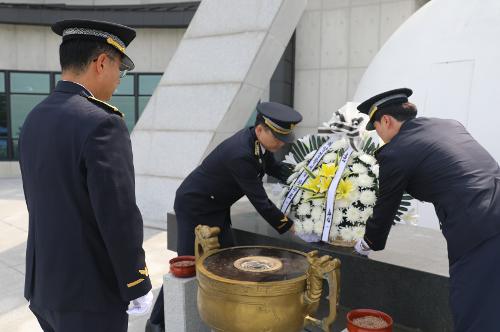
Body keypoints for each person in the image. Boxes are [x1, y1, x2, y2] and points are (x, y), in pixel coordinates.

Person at [19, 19, 153, 332]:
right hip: (89, 294)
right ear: (101, 62)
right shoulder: (102, 122)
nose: (119, 79)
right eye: (120, 68)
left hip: (44, 286)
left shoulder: (35, 117)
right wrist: (136, 280)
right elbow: (117, 215)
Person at [146, 102, 302, 332]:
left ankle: (226, 315)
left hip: (216, 207)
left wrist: (304, 178)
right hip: (195, 207)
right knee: (187, 265)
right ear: (260, 130)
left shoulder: (258, 144)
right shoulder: (240, 153)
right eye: (278, 138)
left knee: (228, 259)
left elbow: (274, 168)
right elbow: (260, 201)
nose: (280, 144)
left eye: (284, 139)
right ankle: (157, 323)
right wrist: (290, 226)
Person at [353, 88, 500, 331]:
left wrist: (368, 242)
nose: (378, 134)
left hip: (479, 227)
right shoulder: (448, 125)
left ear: (387, 121)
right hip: (491, 213)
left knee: (473, 307)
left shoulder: (396, 151)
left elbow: (386, 204)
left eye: (376, 127)